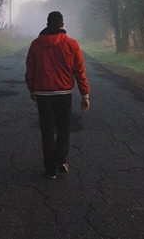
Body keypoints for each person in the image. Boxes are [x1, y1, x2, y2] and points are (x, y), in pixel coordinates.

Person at [25, 11, 90, 179]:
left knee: (47, 130)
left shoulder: (35, 45)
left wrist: (32, 89)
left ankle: (50, 169)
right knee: (64, 127)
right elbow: (79, 71)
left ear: (47, 23)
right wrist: (85, 95)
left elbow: (30, 69)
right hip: (64, 93)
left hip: (43, 94)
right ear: (62, 24)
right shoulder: (71, 44)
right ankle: (61, 160)